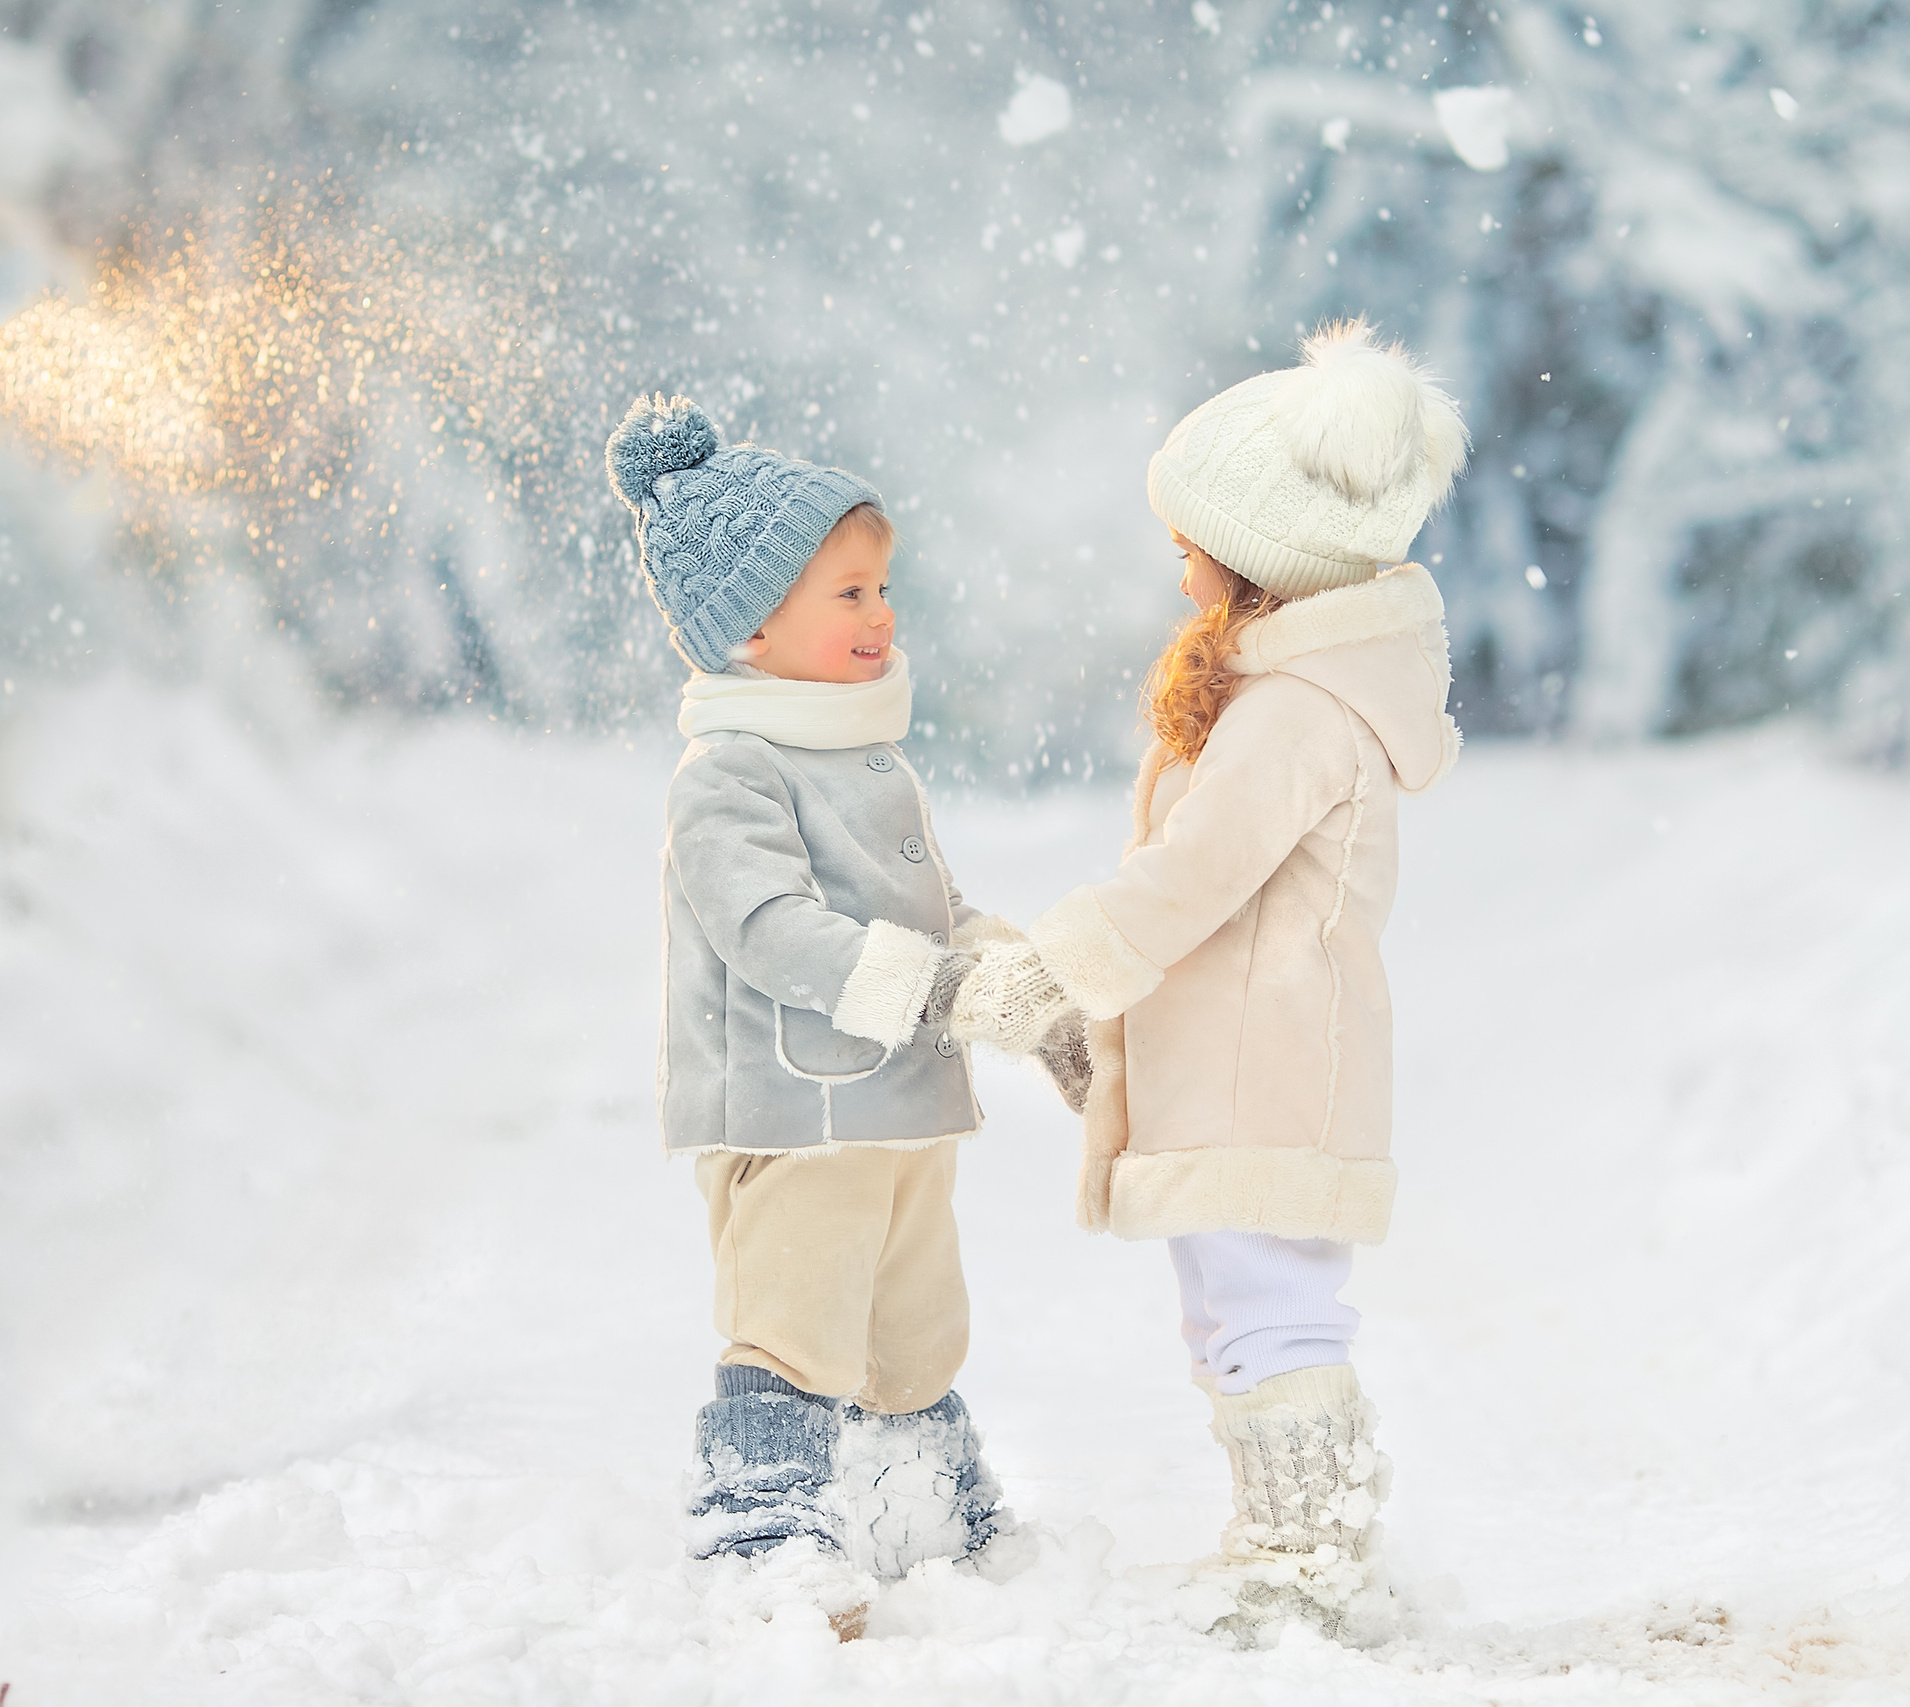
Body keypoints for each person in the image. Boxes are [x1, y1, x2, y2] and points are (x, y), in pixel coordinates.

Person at [1008, 321, 1468, 1641]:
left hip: (1269, 1056)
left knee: (1271, 1312)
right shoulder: (1282, 687)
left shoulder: (1299, 711)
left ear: (1268, 552)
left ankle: (1314, 1557)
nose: (1177, 552)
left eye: (1190, 529)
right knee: (1230, 1311)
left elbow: (1197, 872)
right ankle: (1282, 1536)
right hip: (1233, 1052)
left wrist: (1063, 958)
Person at [605, 395, 1086, 1582]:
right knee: (800, 1317)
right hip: (797, 1113)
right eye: (847, 593)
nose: (880, 614)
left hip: (902, 1110)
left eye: (881, 587)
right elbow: (773, 931)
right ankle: (762, 1525)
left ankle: (917, 1498)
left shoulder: (868, 760)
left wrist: (1028, 990)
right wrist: (936, 993)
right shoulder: (731, 774)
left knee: (916, 1333)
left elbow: (932, 918)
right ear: (751, 631)